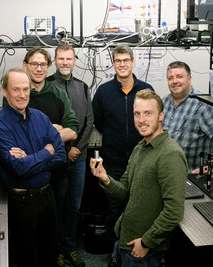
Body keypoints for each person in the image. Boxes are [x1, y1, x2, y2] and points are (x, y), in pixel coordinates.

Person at [90, 89, 188, 267]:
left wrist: (145, 243)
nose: (141, 120)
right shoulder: (140, 148)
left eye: (148, 113)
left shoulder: (170, 154)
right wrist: (105, 179)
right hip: (125, 238)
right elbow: (125, 192)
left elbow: (174, 212)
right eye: (137, 114)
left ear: (161, 116)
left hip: (143, 249)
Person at [0, 68, 66, 267]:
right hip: (21, 202)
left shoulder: (41, 117)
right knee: (26, 257)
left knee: (51, 253)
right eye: (16, 90)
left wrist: (30, 159)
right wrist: (46, 151)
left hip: (47, 197)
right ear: (5, 91)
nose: (22, 95)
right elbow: (19, 168)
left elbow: (61, 156)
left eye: (26, 89)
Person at [92, 44, 154, 265]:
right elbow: (99, 122)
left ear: (133, 62)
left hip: (143, 162)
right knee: (114, 212)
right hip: (115, 164)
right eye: (118, 60)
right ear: (113, 63)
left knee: (142, 210)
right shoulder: (103, 92)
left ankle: (139, 252)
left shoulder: (146, 90)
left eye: (126, 60)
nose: (122, 64)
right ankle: (116, 253)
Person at [47, 44, 94, 267]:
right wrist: (65, 151)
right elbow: (46, 127)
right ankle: (55, 250)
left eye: (69, 59)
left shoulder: (83, 87)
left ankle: (69, 248)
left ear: (75, 61)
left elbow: (89, 121)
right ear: (55, 61)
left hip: (79, 159)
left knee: (74, 206)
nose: (65, 63)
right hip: (56, 160)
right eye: (61, 59)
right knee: (57, 206)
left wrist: (77, 149)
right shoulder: (46, 87)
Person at [162, 61, 213, 173]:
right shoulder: (163, 103)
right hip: (166, 172)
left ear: (189, 79)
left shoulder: (203, 104)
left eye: (179, 77)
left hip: (192, 174)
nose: (175, 81)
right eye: (170, 78)